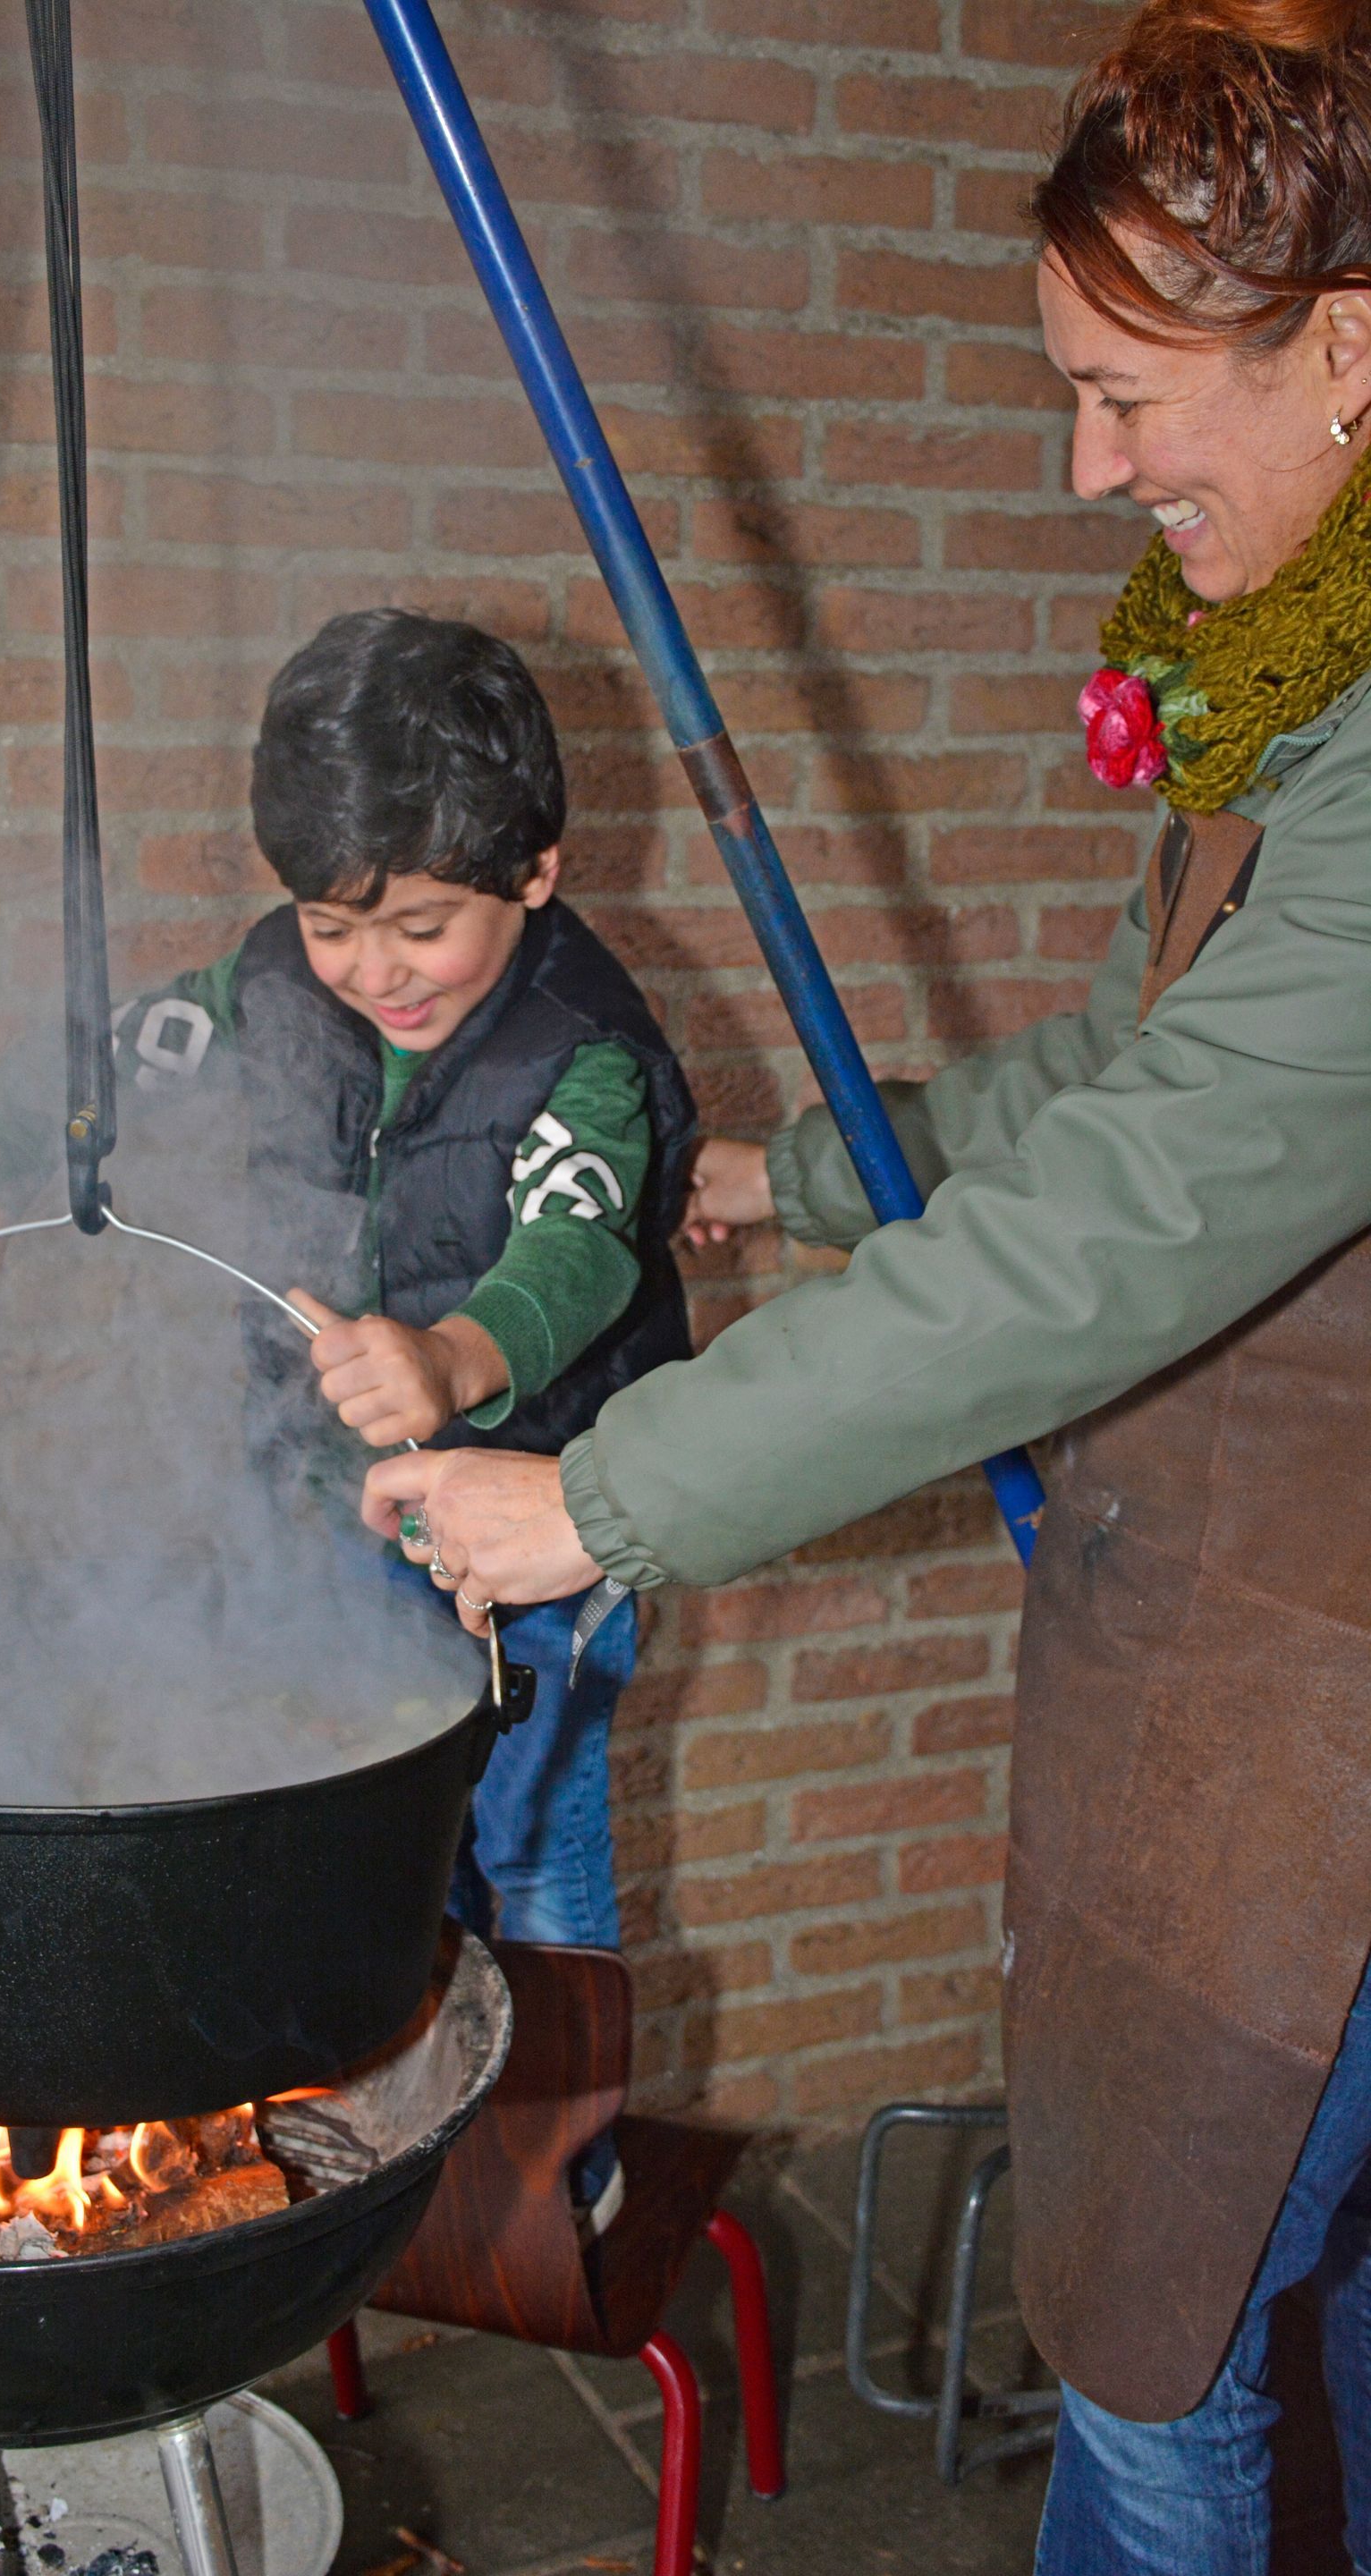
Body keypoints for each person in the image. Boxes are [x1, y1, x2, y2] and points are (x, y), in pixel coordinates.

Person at [360, 3, 1371, 2563]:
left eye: (1130, 396)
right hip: (1267, 1675)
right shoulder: (1304, 690)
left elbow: (1119, 1231)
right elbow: (1139, 1079)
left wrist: (603, 1493)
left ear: (1349, 351)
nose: (1088, 467)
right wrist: (806, 1170)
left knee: (1159, 2384)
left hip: (1329, 1718)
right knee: (1304, 2298)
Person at [0, 607, 695, 2231]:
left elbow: (577, 1252)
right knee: (350, 1835)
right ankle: (369, 2134)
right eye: (332, 928)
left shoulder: (586, 1051)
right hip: (323, 1515)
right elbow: (72, 1077)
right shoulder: (261, 997)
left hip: (536, 1541)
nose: (377, 975)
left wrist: (452, 1362)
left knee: (527, 1848)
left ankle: (544, 2173)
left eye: (424, 929)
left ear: (536, 874)